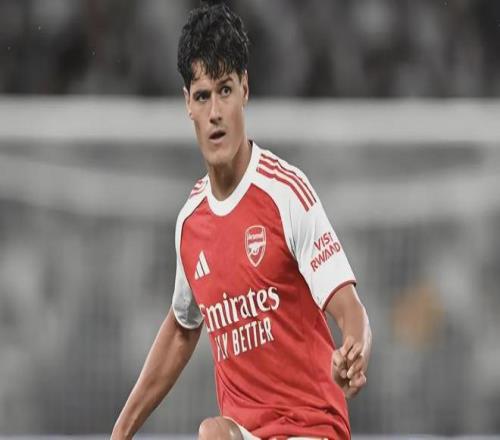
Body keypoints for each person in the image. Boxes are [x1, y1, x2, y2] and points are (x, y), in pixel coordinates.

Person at [111, 2, 372, 439]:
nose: (215, 111)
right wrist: (120, 432)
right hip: (246, 434)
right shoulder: (191, 223)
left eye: (225, 90)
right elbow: (182, 327)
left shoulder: (285, 192)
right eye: (202, 96)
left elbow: (350, 309)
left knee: (212, 434)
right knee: (215, 433)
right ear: (188, 104)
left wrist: (356, 350)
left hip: (312, 429)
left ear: (245, 89)